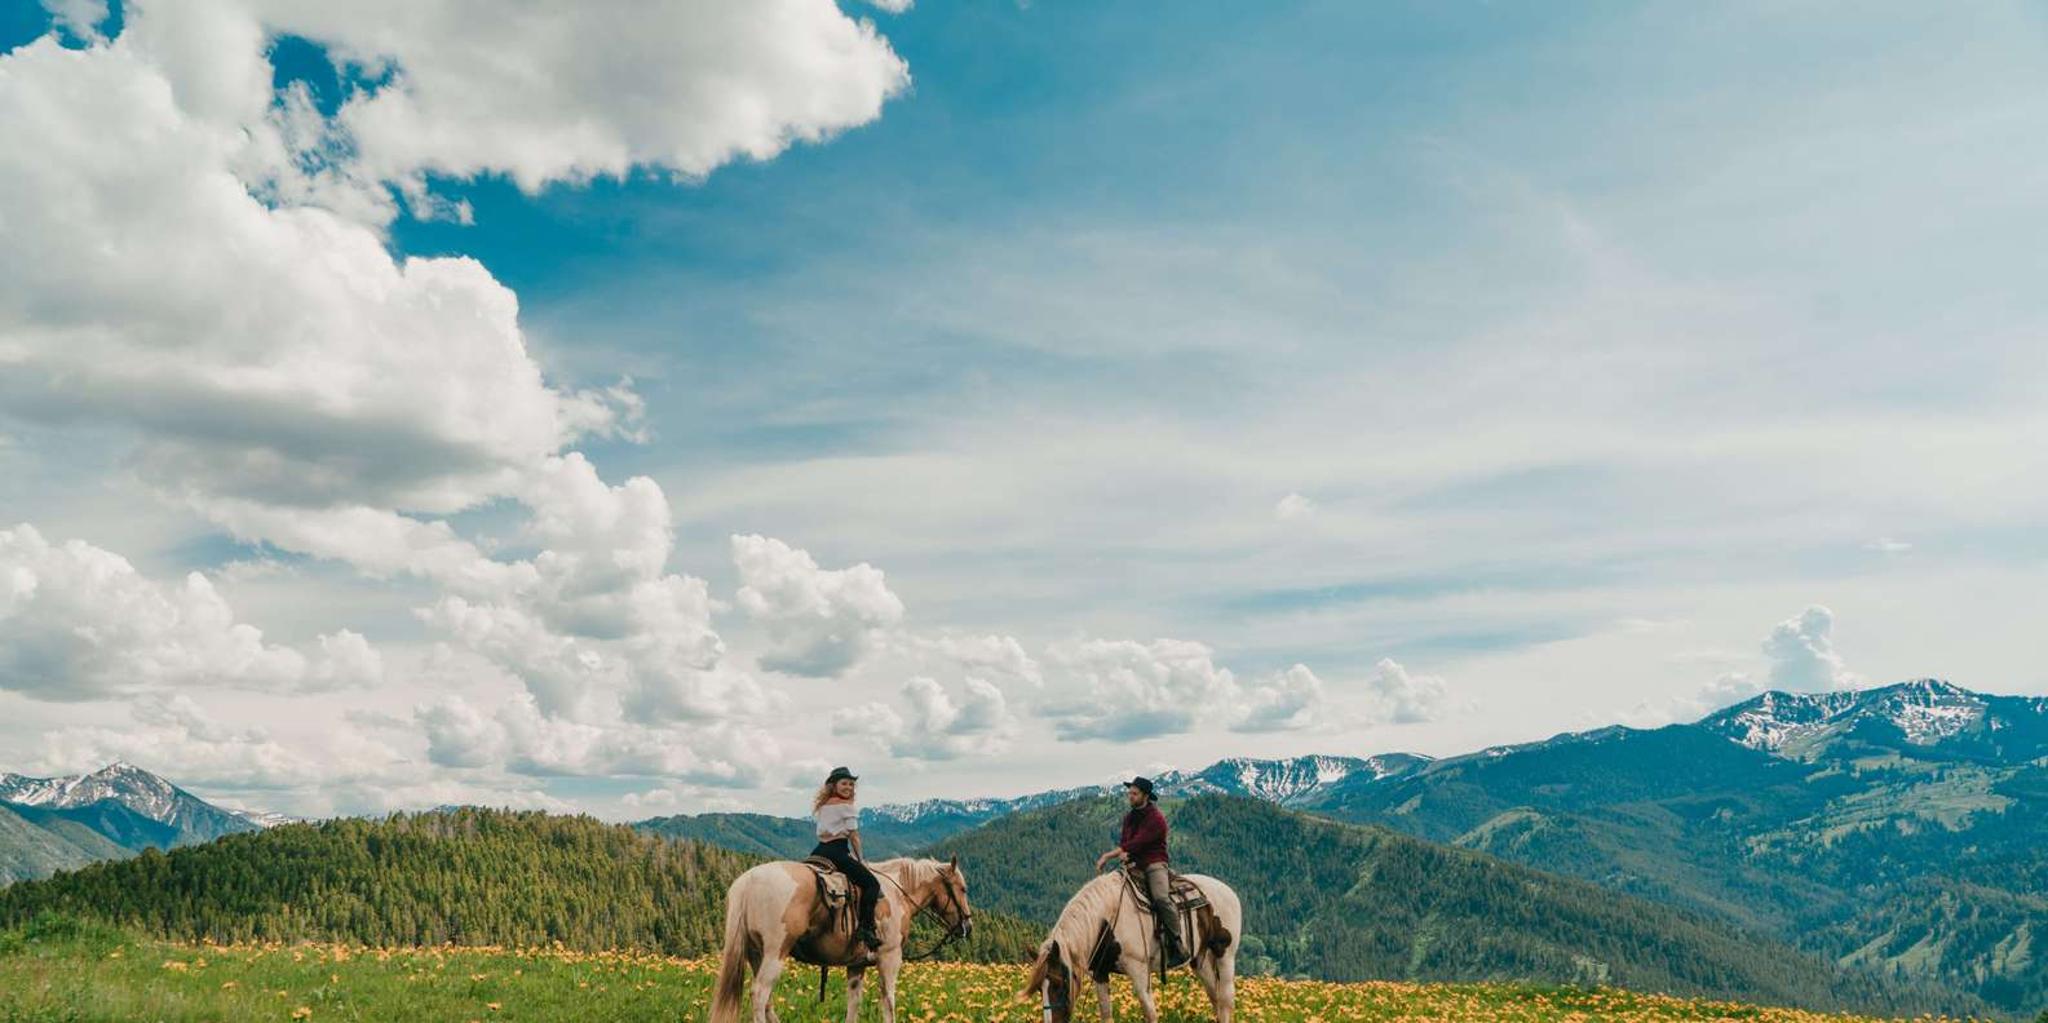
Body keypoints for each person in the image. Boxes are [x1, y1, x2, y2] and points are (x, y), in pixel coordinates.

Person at [1094, 776, 1186, 965]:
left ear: (1145, 796)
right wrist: (1125, 854)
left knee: (1161, 898)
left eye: (1134, 793)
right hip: (1134, 864)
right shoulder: (1129, 817)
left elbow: (1137, 842)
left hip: (1154, 863)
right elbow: (1127, 842)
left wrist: (1109, 855)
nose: (1130, 796)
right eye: (1130, 793)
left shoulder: (1156, 819)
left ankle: (1177, 942)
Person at [812, 766, 883, 954]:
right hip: (837, 852)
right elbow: (854, 836)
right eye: (844, 783)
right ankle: (866, 928)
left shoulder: (824, 805)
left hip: (818, 852)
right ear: (834, 785)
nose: (849, 787)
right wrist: (861, 860)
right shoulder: (846, 807)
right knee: (872, 885)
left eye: (851, 784)